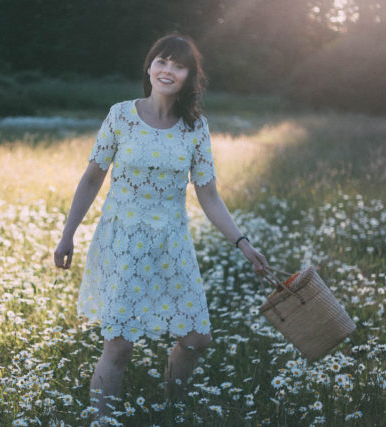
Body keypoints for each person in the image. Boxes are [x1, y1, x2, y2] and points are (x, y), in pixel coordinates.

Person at [54, 33, 268, 421]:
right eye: (161, 61)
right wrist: (68, 234)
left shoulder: (194, 127)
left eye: (178, 65)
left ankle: (171, 411)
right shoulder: (121, 115)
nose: (168, 70)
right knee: (118, 345)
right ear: (149, 67)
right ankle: (103, 421)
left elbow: (208, 194)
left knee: (196, 338)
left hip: (171, 243)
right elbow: (91, 178)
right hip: (123, 239)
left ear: (189, 76)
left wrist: (243, 243)